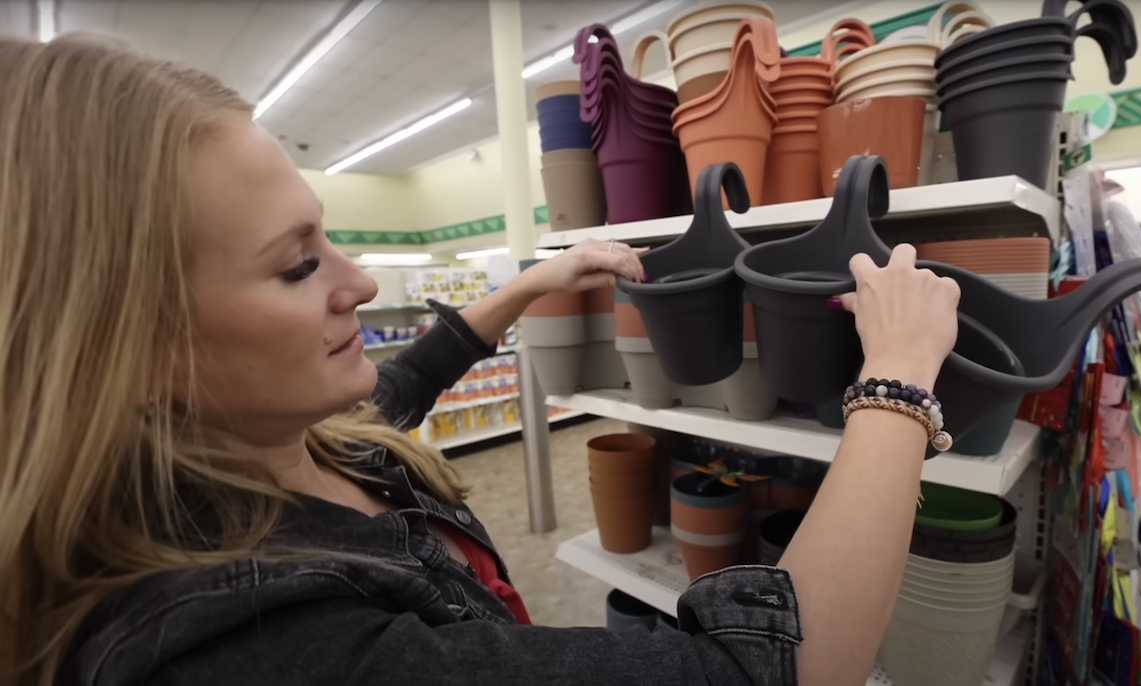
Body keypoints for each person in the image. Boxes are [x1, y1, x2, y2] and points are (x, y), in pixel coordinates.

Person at [0, 34, 960, 686]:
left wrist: (546, 277)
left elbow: (397, 388)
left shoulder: (267, 441)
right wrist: (899, 378)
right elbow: (775, 665)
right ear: (124, 346)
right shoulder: (251, 642)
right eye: (296, 266)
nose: (360, 286)